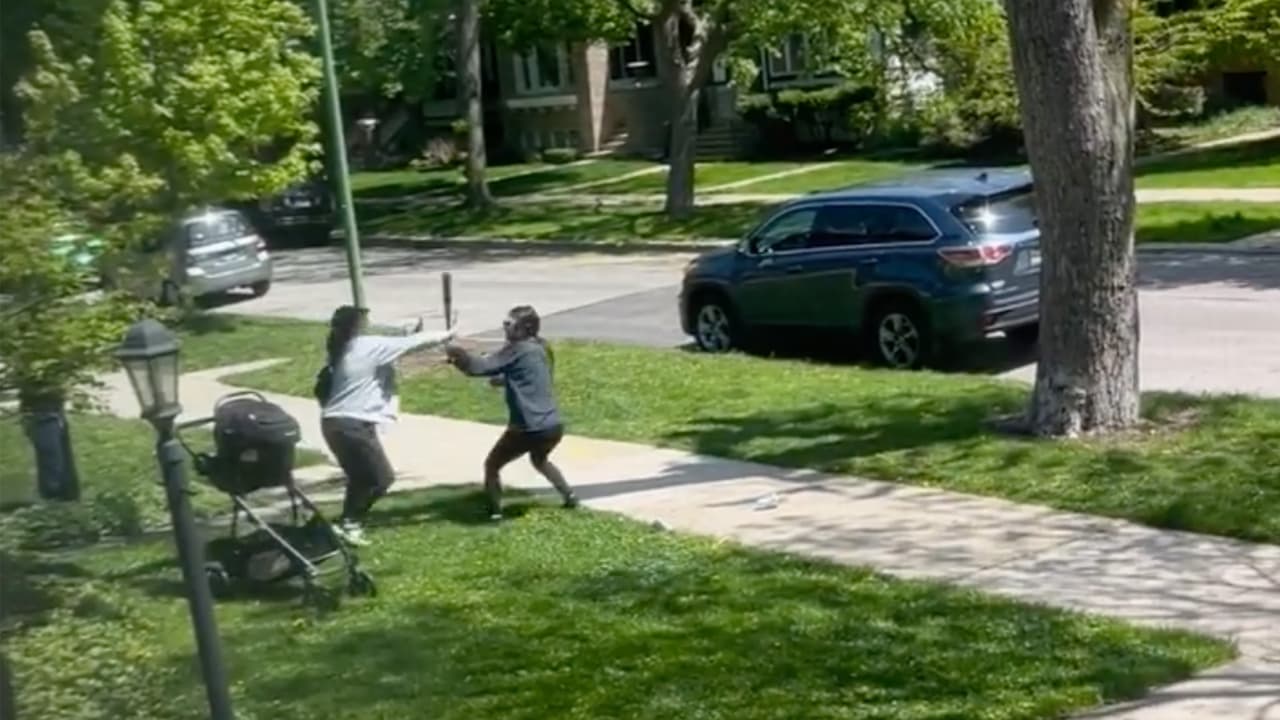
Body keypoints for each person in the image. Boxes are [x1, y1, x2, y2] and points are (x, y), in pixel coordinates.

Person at [320, 305, 456, 545]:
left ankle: (347, 524)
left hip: (334, 424)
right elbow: (413, 344)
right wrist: (446, 334)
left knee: (360, 478)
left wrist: (408, 337)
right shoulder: (366, 345)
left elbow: (395, 347)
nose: (368, 324)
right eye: (364, 321)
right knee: (382, 478)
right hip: (353, 424)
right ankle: (350, 522)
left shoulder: (340, 349)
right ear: (356, 326)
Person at [445, 305, 577, 521]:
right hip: (552, 426)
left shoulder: (516, 350)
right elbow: (532, 374)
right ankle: (570, 497)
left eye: (508, 324)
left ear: (523, 327)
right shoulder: (542, 347)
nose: (504, 328)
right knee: (540, 460)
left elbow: (476, 367)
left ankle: (495, 512)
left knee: (492, 465)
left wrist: (456, 353)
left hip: (526, 428)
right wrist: (507, 380)